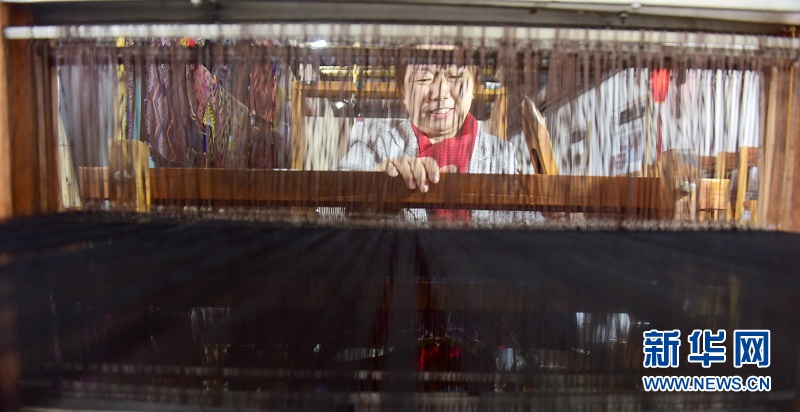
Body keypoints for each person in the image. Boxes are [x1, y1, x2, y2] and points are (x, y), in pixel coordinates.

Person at [339, 51, 541, 223]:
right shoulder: (375, 140)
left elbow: (529, 228)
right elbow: (334, 205)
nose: (440, 93)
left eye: (455, 76)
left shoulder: (502, 155)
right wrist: (375, 186)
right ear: (403, 92)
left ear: (473, 87)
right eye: (424, 79)